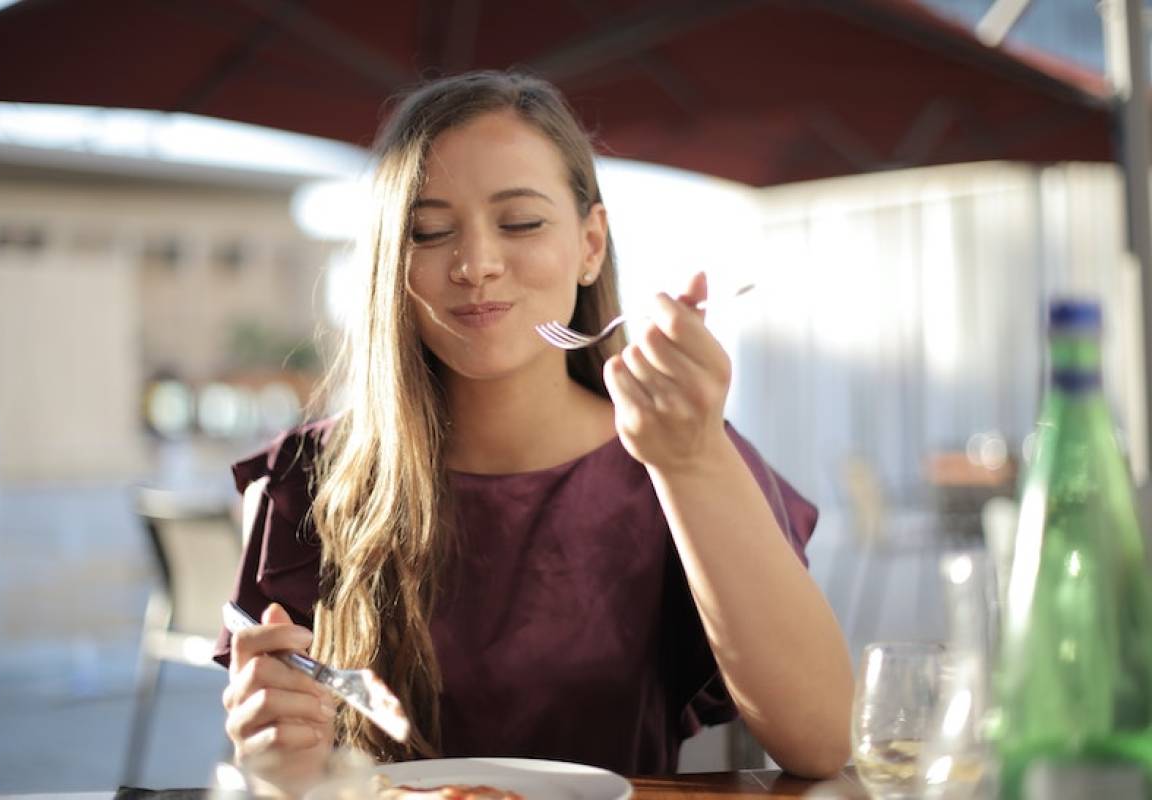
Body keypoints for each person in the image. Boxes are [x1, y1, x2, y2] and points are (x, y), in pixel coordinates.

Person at [215, 70, 852, 789]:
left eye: (520, 222)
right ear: (392, 264)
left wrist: (693, 460)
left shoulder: (679, 454)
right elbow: (292, 770)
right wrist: (275, 758)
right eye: (429, 231)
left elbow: (822, 742)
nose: (476, 265)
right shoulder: (308, 478)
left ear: (590, 244)